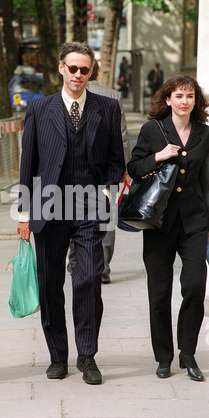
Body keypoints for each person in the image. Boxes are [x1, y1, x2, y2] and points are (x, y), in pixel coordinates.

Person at [17, 42, 125, 384]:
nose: (78, 75)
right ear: (61, 68)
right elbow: (28, 163)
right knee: (51, 283)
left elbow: (115, 159)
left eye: (85, 70)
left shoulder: (107, 107)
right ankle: (57, 357)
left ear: (91, 73)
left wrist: (107, 191)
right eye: (73, 68)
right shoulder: (38, 108)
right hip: (48, 207)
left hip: (90, 206)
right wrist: (23, 213)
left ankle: (88, 357)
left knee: (89, 279)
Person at [127, 75, 209, 381]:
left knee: (194, 287)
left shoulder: (206, 134)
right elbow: (134, 168)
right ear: (168, 100)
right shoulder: (153, 130)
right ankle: (163, 357)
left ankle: (187, 354)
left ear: (195, 101)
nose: (184, 101)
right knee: (159, 293)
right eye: (178, 96)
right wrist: (157, 156)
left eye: (189, 96)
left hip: (194, 223)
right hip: (159, 222)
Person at [67, 60, 132, 283]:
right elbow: (122, 137)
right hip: (107, 171)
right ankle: (102, 266)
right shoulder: (113, 96)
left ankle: (75, 260)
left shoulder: (66, 95)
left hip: (74, 170)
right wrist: (125, 169)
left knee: (72, 212)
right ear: (96, 70)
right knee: (106, 217)